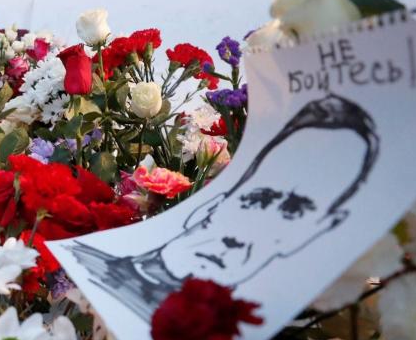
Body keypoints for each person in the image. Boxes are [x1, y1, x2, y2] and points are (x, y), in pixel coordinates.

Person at [69, 94, 379, 321]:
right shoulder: (83, 267)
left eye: (294, 211)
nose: (253, 226)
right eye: (260, 195)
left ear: (319, 229)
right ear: (222, 192)